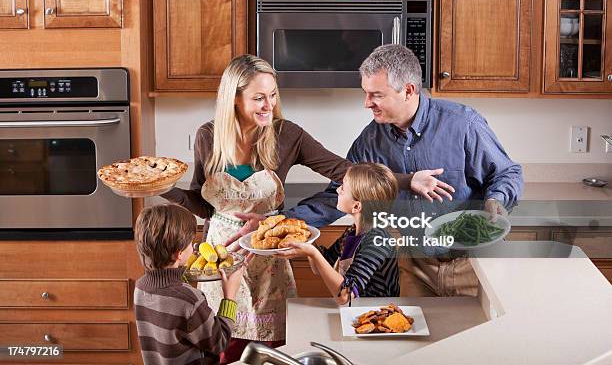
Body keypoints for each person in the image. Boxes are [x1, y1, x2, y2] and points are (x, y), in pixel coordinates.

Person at [161, 54, 451, 362]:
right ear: (234, 98)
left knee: (271, 352)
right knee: (221, 344)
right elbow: (203, 206)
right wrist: (165, 190)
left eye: (272, 95)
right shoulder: (208, 137)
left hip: (269, 255)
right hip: (222, 258)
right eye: (259, 98)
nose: (268, 105)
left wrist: (407, 181)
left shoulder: (287, 135)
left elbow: (348, 172)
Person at [233, 45, 524, 297]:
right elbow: (337, 196)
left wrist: (494, 202)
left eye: (376, 95)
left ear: (408, 90)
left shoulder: (463, 124)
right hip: (413, 266)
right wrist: (275, 222)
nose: (366, 103)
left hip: (472, 265)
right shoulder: (370, 141)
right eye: (365, 93)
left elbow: (507, 173)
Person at [133, 204, 244, 365]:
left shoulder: (140, 287)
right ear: (178, 254)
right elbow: (219, 341)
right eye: (191, 244)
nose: (194, 247)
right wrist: (230, 296)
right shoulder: (190, 300)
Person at [277, 163, 400, 305]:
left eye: (343, 188)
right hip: (355, 313)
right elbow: (322, 265)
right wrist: (307, 237)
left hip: (378, 317)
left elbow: (345, 296)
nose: (337, 191)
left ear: (356, 206)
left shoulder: (377, 240)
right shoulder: (352, 232)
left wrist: (312, 252)